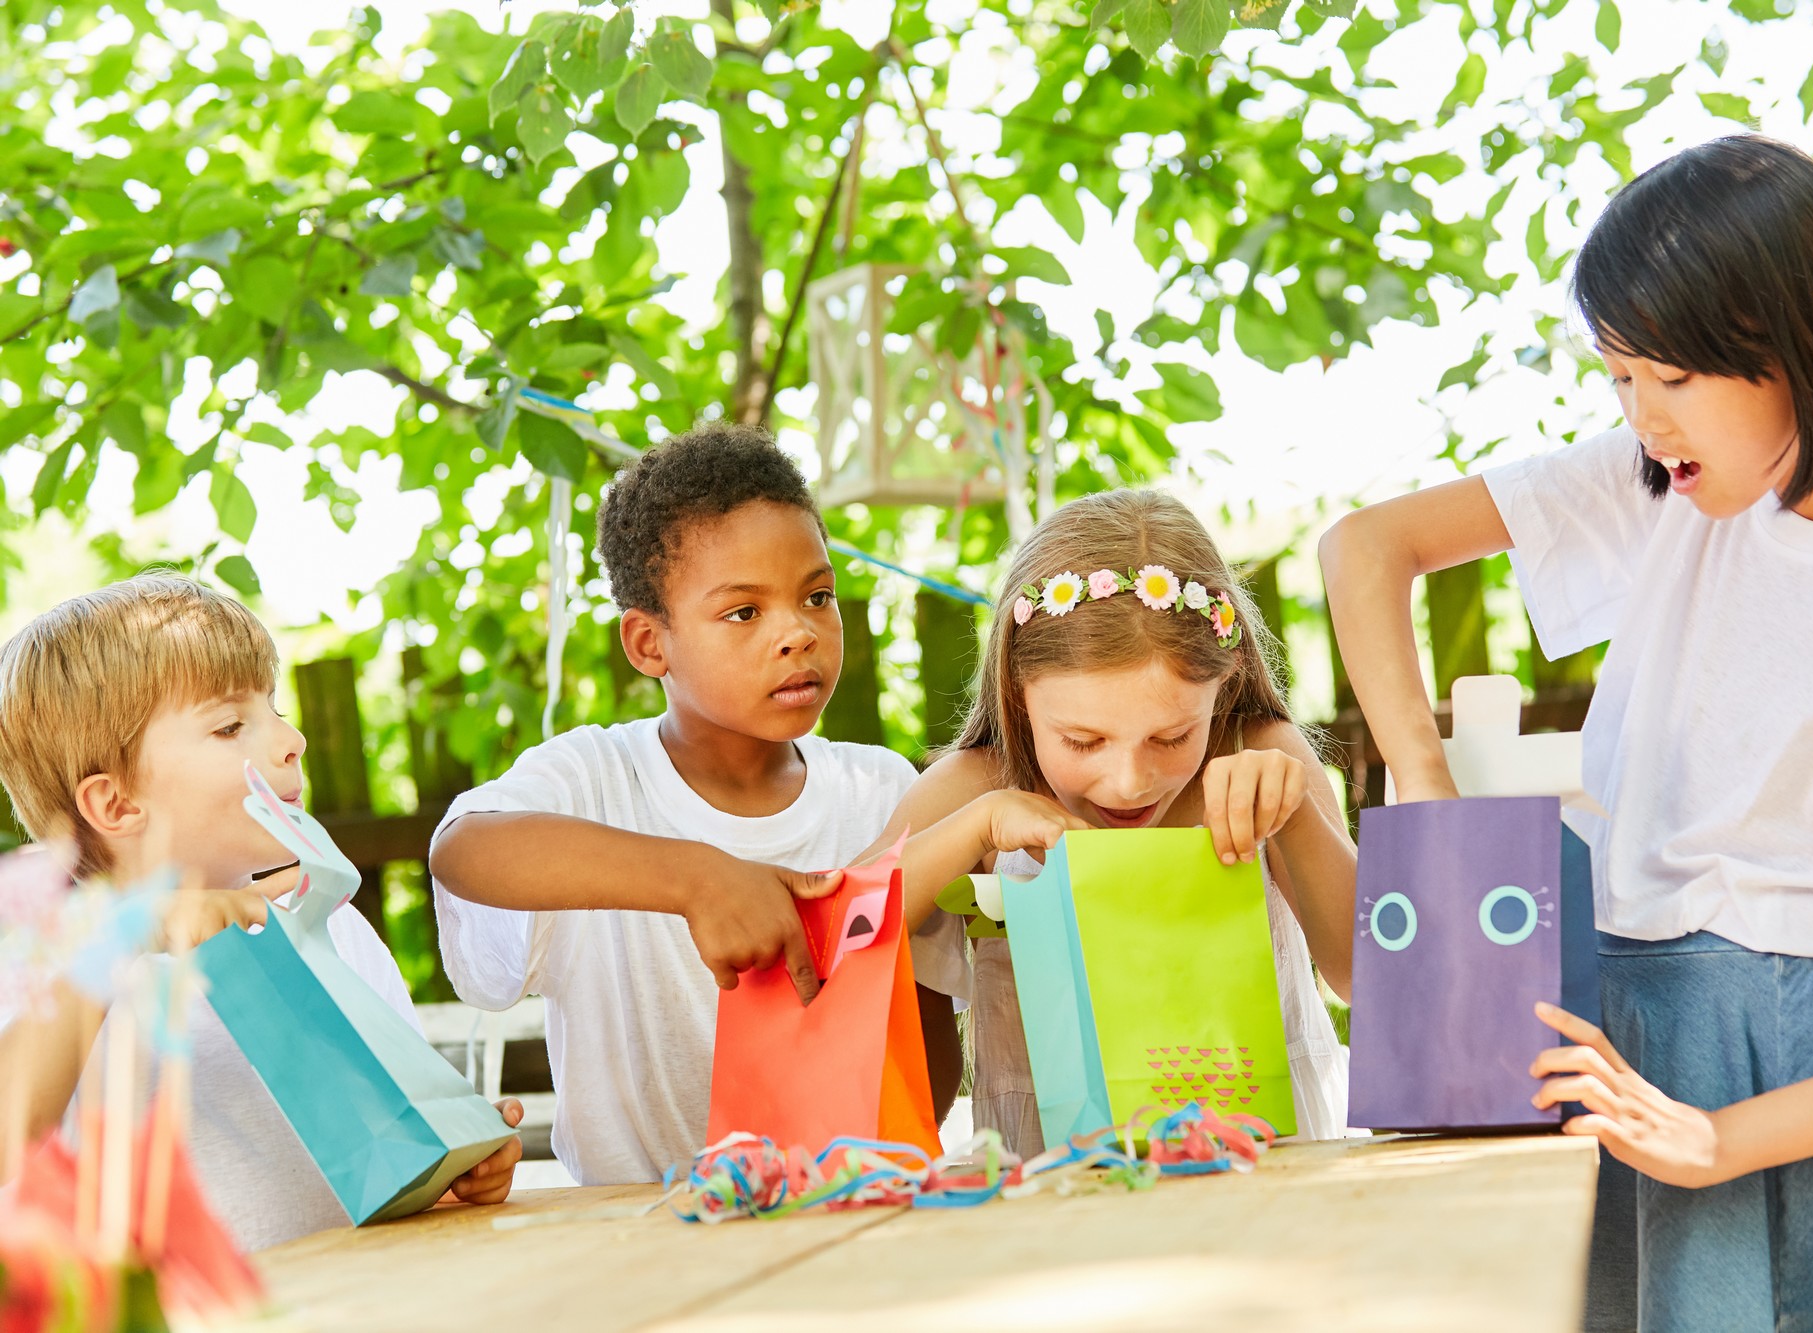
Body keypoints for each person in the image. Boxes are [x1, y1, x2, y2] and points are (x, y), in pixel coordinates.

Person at [1321, 135, 1813, 1331]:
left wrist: (1716, 1133)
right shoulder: (1678, 485)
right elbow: (1363, 548)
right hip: (1609, 1030)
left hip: (1784, 1091)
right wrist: (1422, 785)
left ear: (1793, 346)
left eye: (1666, 379)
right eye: (1618, 378)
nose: (1639, 420)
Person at [428, 423, 959, 1185]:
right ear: (650, 645)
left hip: (850, 1212)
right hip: (638, 1242)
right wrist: (698, 880)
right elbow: (463, 849)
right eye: (744, 612)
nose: (798, 633)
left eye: (818, 595)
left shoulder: (877, 792)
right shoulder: (596, 778)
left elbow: (925, 1039)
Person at [0, 575, 523, 1249]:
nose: (292, 738)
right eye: (229, 725)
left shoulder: (331, 931)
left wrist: (461, 1167)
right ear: (118, 804)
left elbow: (390, 1152)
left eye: (273, 709)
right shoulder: (42, 958)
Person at [853, 488, 1354, 1156]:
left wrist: (1296, 819)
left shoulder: (1262, 756)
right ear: (1018, 692)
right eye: (1084, 742)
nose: (1129, 780)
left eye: (1172, 737)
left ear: (1227, 680)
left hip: (1264, 1168)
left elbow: (1360, 973)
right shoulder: (975, 789)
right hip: (1052, 1185)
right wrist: (969, 833)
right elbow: (839, 949)